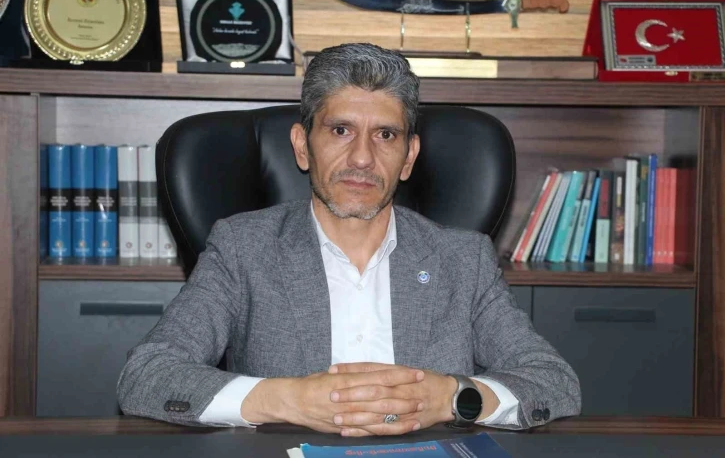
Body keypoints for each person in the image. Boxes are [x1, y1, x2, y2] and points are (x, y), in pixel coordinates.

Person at [117, 42, 581, 436]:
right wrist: (287, 399)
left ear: (408, 156)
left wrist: (454, 397)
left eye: (385, 135)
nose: (362, 158)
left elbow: (554, 381)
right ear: (302, 146)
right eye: (341, 130)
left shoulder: (463, 259)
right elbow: (146, 376)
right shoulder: (243, 247)